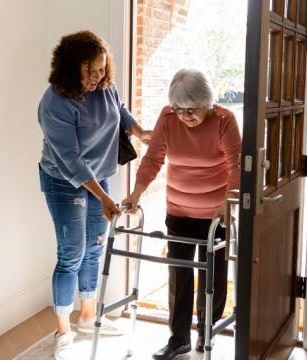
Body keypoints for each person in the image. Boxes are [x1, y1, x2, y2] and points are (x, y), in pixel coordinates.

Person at [38, 30, 152, 360]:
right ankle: (63, 330)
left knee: (94, 249)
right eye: (89, 70)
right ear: (70, 67)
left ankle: (88, 316)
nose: (96, 77)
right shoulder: (55, 103)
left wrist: (138, 130)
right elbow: (70, 160)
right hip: (64, 181)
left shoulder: (105, 87)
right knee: (71, 253)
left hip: (99, 177)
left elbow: (119, 108)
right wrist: (103, 197)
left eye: (101, 69)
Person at [122, 68, 241, 360]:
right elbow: (153, 158)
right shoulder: (168, 117)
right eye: (180, 109)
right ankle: (178, 339)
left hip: (216, 216)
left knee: (213, 275)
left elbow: (236, 164)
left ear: (208, 102)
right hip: (179, 210)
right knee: (179, 274)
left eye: (192, 110)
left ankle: (207, 333)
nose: (186, 116)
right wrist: (136, 194)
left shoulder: (224, 121)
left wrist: (228, 204)